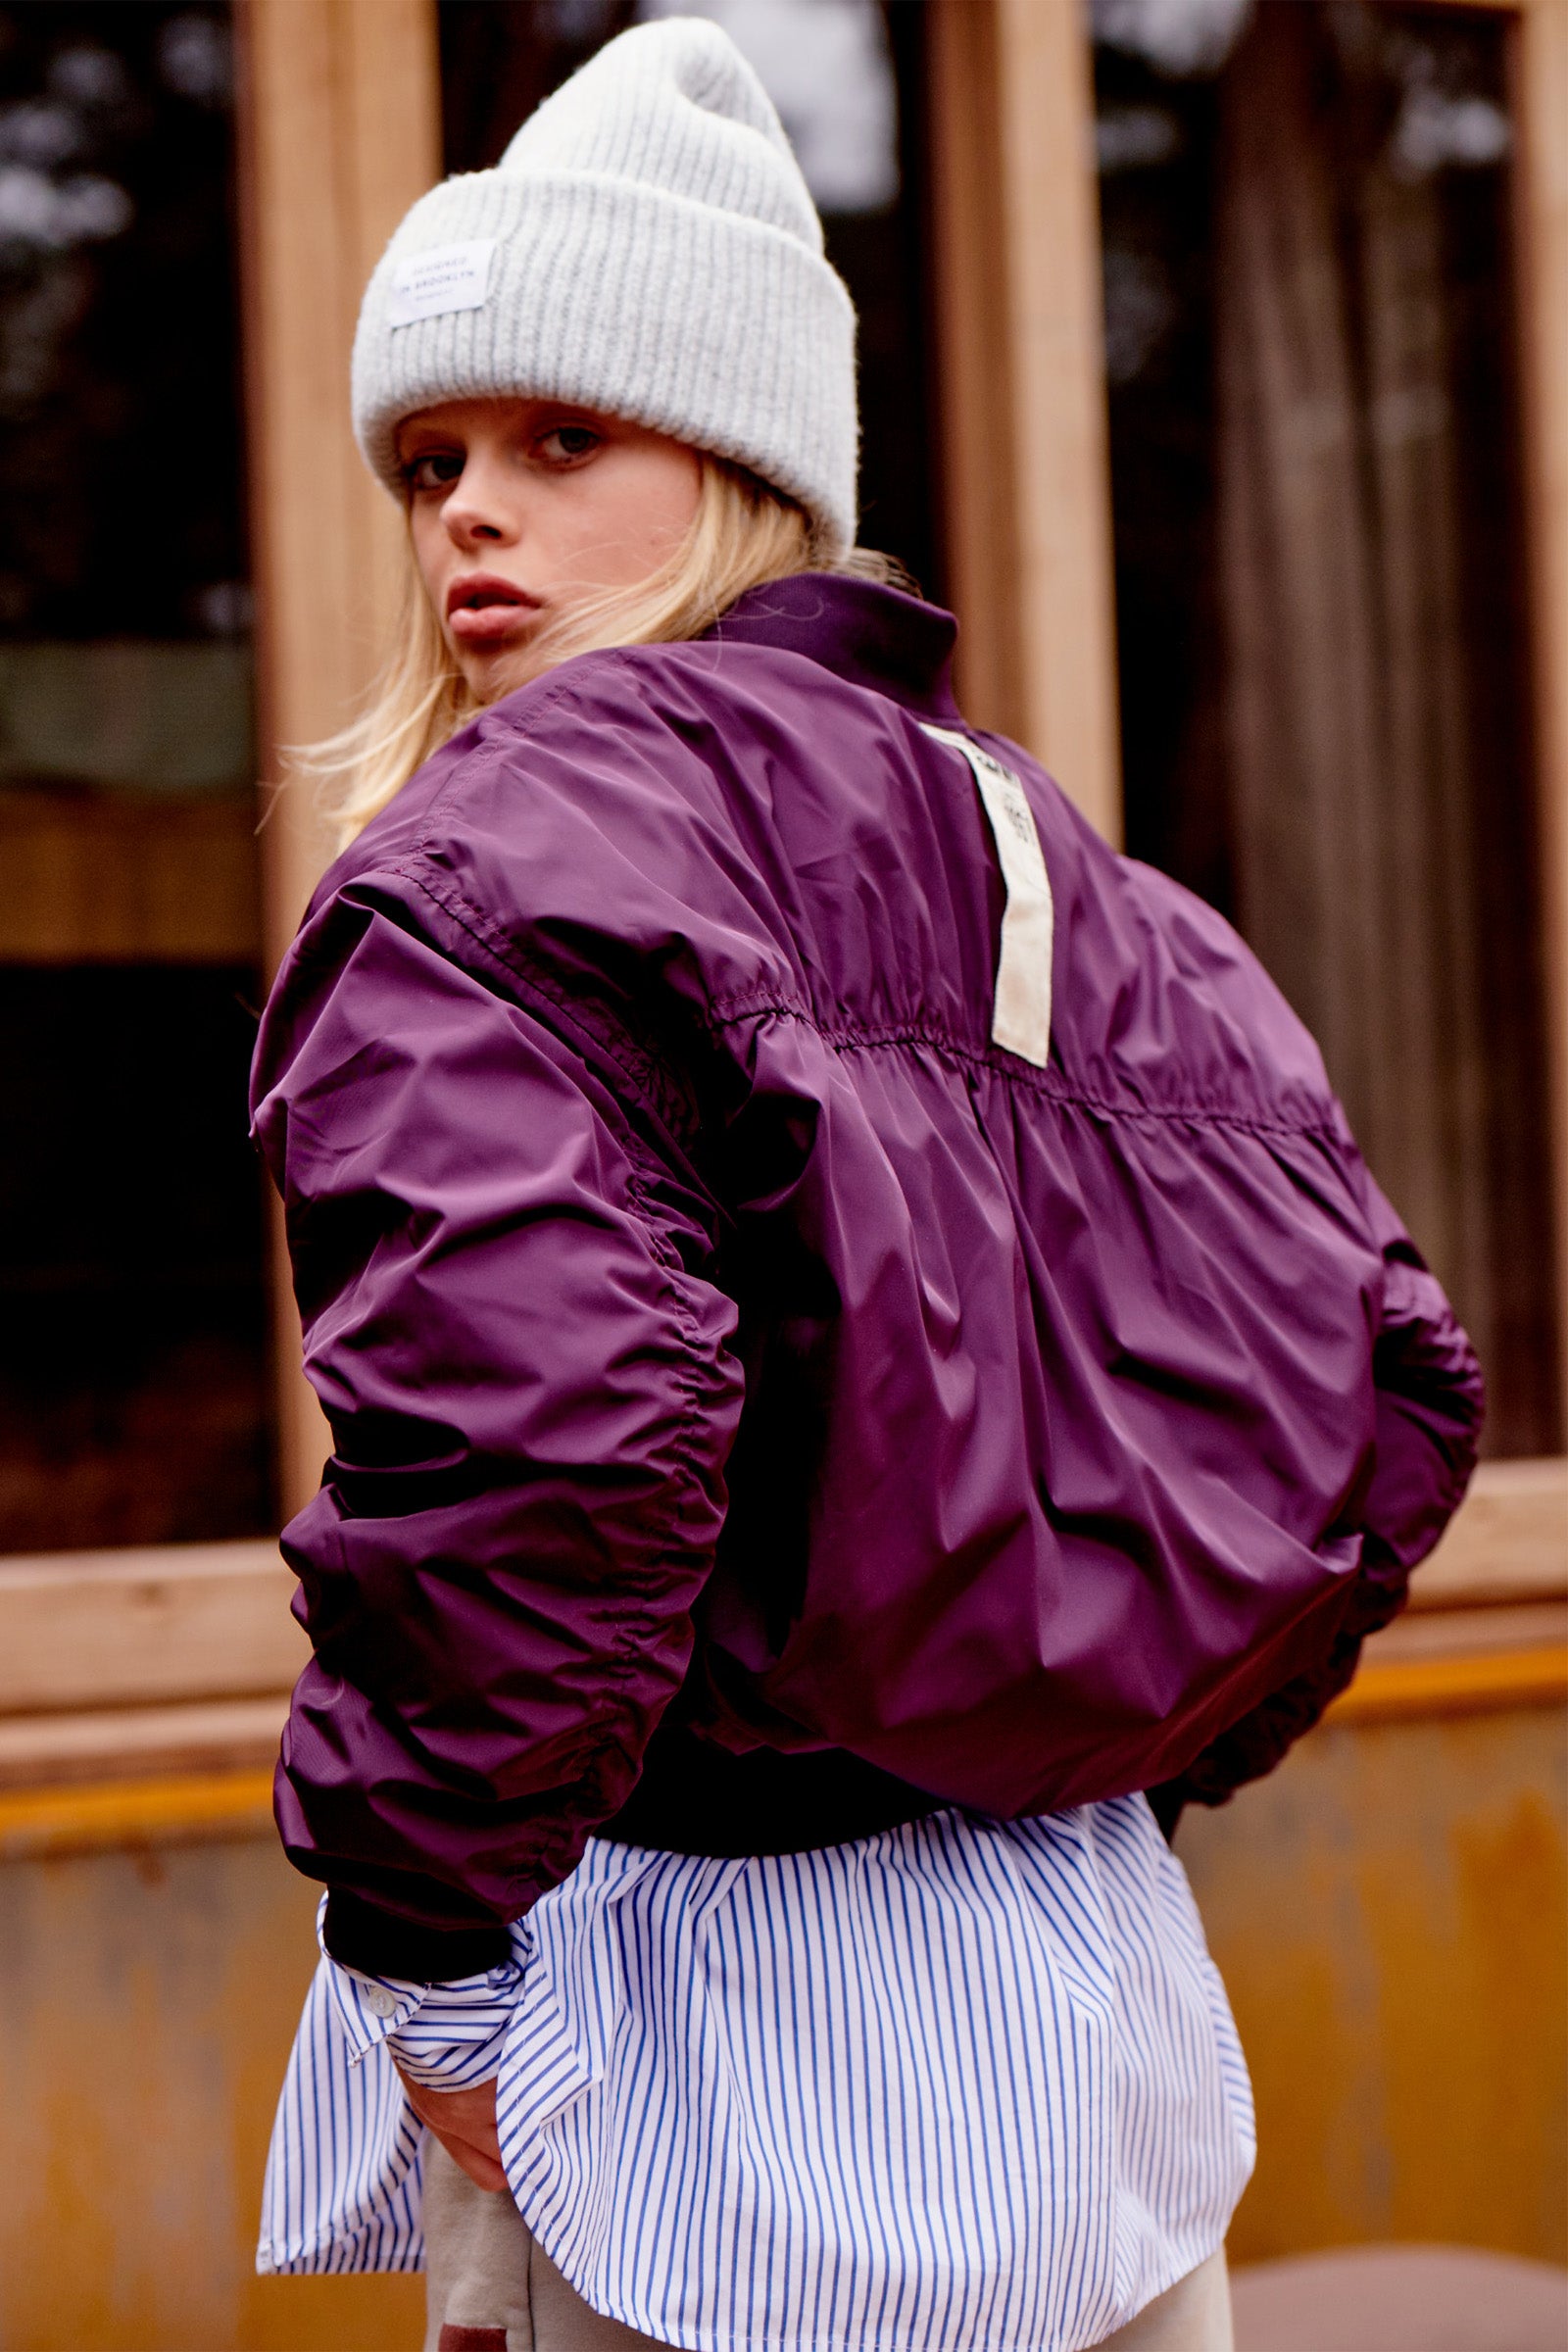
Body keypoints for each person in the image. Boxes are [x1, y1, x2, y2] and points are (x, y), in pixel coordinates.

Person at [251, 22, 1483, 2352]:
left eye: (562, 437)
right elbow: (1387, 1398)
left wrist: (426, 1960)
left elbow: (541, 1438)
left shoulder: (490, 867)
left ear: (744, 466)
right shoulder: (1074, 871)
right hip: (1087, 2032)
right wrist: (1094, 1737)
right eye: (429, 460)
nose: (466, 516)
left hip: (681, 2078)